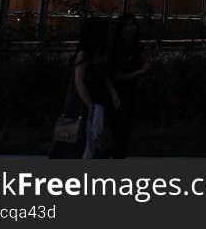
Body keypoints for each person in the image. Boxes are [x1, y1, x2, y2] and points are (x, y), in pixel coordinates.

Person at [50, 17, 120, 159]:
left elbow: (103, 76)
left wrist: (113, 94)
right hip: (83, 102)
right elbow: (79, 81)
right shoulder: (84, 55)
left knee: (94, 137)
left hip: (97, 100)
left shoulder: (99, 54)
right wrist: (89, 105)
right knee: (80, 137)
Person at [109, 13, 150, 158]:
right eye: (126, 25)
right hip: (119, 94)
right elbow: (116, 77)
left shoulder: (138, 47)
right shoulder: (116, 49)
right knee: (119, 131)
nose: (130, 28)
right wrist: (141, 72)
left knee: (125, 131)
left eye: (132, 24)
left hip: (132, 93)